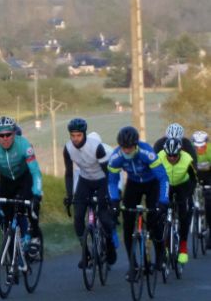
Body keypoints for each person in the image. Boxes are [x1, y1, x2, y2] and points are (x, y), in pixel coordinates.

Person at [108, 126, 170, 279]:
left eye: (129, 147)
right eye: (124, 147)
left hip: (152, 183)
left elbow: (163, 178)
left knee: (155, 220)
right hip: (133, 184)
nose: (127, 150)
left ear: (135, 145)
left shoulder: (147, 152)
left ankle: (161, 256)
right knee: (128, 226)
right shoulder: (116, 157)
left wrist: (163, 201)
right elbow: (112, 182)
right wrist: (114, 201)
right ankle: (133, 265)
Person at [0, 116, 43, 255]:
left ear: (14, 133)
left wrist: (36, 193)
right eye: (1, 135)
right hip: (6, 181)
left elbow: (35, 172)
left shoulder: (24, 145)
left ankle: (34, 236)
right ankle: (12, 247)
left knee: (31, 207)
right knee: (5, 216)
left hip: (24, 179)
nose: (5, 138)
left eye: (8, 135)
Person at [63, 118, 116, 267]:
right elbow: (69, 173)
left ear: (84, 134)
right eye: (72, 135)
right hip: (85, 181)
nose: (75, 139)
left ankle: (110, 245)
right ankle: (86, 253)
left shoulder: (96, 147)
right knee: (78, 217)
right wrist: (69, 195)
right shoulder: (68, 148)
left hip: (102, 180)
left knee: (103, 216)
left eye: (78, 135)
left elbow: (108, 173)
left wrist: (109, 195)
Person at [158, 138, 196, 264]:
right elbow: (154, 175)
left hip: (182, 185)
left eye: (175, 155)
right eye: (169, 155)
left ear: (180, 152)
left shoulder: (187, 159)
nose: (172, 158)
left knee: (184, 215)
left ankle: (183, 247)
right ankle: (165, 245)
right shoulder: (159, 157)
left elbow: (194, 178)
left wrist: (188, 194)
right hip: (166, 185)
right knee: (161, 214)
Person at [191, 130, 211, 248]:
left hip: (209, 175)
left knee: (209, 198)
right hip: (196, 174)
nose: (199, 149)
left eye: (202, 146)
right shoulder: (190, 151)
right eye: (197, 147)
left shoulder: (210, 150)